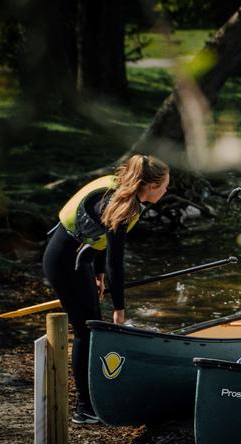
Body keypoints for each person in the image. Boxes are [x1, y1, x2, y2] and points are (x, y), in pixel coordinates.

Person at [42, 155, 170, 425]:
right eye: (164, 186)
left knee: (90, 327)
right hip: (65, 261)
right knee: (86, 332)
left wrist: (97, 275)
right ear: (149, 186)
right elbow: (116, 264)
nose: (167, 191)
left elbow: (98, 239)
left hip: (79, 258)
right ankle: (84, 408)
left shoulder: (121, 193)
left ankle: (90, 400)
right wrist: (120, 311)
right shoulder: (123, 207)